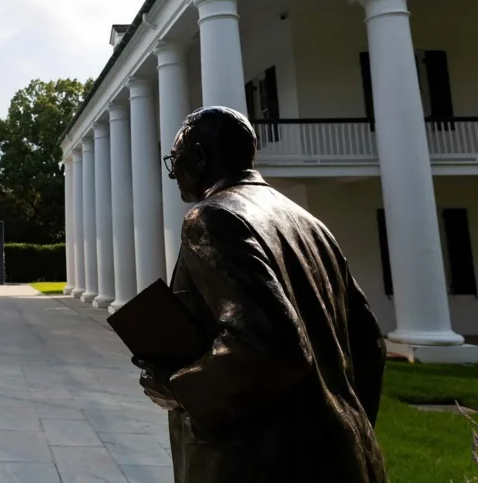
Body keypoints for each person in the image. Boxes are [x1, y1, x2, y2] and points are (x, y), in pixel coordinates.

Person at [138, 106, 387, 483]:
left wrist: (177, 386)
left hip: (269, 463)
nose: (174, 174)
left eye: (177, 161)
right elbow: (370, 343)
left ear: (200, 158)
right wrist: (345, 426)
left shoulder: (211, 218)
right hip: (346, 455)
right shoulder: (310, 223)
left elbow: (268, 345)